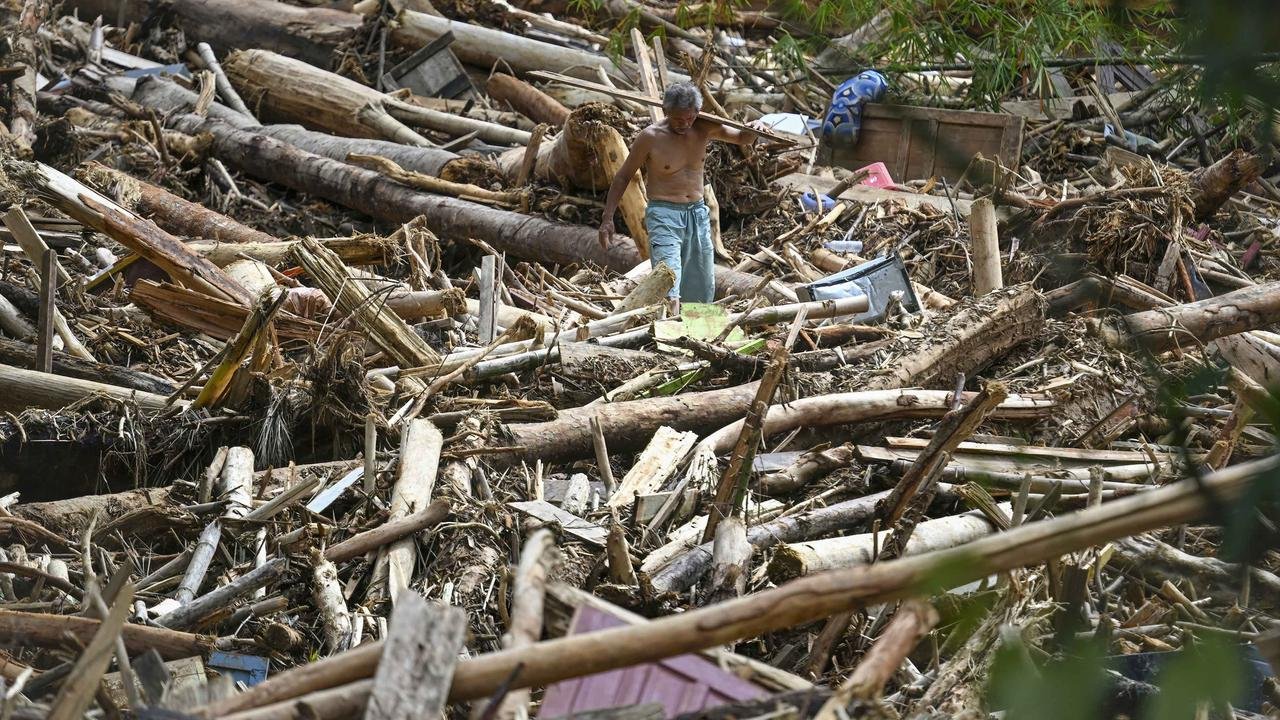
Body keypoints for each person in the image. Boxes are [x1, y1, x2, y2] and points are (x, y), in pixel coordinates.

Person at [598, 82, 759, 314]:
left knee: (702, 280)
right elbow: (623, 176)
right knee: (668, 278)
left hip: (697, 213)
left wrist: (756, 127)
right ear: (665, 111)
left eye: (689, 118)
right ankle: (667, 325)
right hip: (664, 214)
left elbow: (744, 137)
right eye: (677, 119)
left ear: (697, 112)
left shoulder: (704, 127)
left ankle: (697, 329)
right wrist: (607, 218)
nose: (684, 124)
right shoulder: (651, 137)